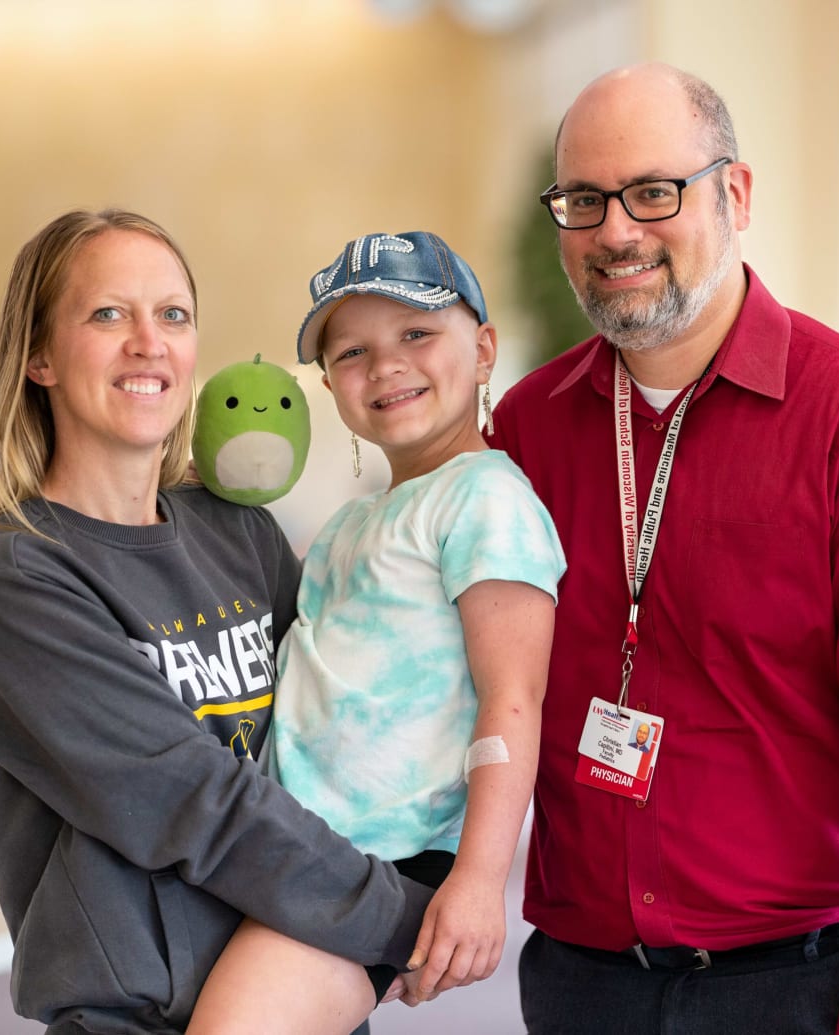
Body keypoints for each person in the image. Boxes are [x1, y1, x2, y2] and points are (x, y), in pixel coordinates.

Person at [488, 64, 839, 1035]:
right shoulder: (525, 432)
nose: (616, 232)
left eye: (653, 191)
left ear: (737, 194)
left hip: (797, 991)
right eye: (584, 201)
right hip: (578, 986)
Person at [0, 210, 444, 1035]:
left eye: (172, 314)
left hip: (301, 985)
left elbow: (338, 733)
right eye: (108, 314)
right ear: (39, 357)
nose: (149, 342)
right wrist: (407, 921)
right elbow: (194, 802)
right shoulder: (13, 576)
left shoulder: (237, 530)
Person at [190, 230, 565, 1035]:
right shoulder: (351, 523)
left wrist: (478, 879)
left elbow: (516, 699)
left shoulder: (486, 499)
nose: (386, 365)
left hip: (388, 857)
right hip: (299, 848)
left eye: (417, 333)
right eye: (352, 351)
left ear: (486, 347)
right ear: (329, 385)